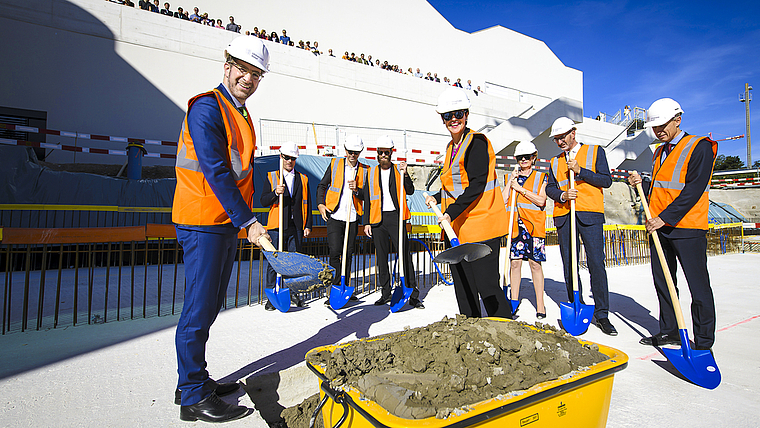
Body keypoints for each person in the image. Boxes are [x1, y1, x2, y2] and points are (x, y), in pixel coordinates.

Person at [171, 36, 272, 423]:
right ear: (226, 66)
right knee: (198, 308)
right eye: (243, 70)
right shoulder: (207, 108)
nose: (248, 78)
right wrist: (248, 221)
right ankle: (193, 398)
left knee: (210, 305)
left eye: (256, 74)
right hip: (202, 221)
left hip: (221, 222)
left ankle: (192, 380)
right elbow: (215, 169)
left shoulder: (239, 113)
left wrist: (241, 219)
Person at [627, 98, 718, 350]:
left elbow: (693, 190)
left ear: (678, 120)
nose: (658, 131)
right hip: (659, 228)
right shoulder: (659, 152)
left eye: (662, 126)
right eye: (654, 127)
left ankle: (703, 341)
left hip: (687, 228)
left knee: (698, 286)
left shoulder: (699, 147)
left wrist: (664, 218)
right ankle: (670, 331)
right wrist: (640, 184)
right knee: (664, 282)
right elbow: (659, 189)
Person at [424, 88, 513, 319]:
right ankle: (470, 329)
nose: (454, 119)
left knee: (487, 287)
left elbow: (476, 184)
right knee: (464, 288)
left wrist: (450, 212)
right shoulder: (451, 147)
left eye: (458, 113)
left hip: (481, 226)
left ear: (466, 114)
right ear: (442, 119)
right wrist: (437, 195)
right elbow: (455, 184)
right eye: (448, 115)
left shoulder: (477, 143)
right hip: (458, 229)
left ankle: (503, 328)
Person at [546, 117, 617, 336]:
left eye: (562, 137)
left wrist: (580, 170)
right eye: (556, 139)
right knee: (570, 264)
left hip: (590, 215)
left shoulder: (596, 152)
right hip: (565, 216)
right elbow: (550, 188)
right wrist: (563, 195)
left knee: (596, 263)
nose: (560, 142)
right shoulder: (554, 162)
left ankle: (602, 314)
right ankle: (575, 302)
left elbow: (606, 180)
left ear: (573, 133)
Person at [362, 136, 424, 309]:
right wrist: (366, 222)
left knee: (404, 255)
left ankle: (413, 294)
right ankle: (385, 292)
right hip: (377, 220)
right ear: (377, 153)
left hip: (396, 218)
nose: (383, 155)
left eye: (386, 152)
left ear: (391, 153)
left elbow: (410, 191)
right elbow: (367, 198)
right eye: (380, 152)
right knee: (381, 257)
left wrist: (406, 173)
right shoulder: (371, 172)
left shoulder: (399, 171)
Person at [260, 141, 313, 310]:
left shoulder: (303, 179)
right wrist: (276, 192)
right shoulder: (272, 176)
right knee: (274, 262)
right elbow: (263, 200)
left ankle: (293, 294)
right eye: (286, 157)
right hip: (276, 227)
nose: (289, 161)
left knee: (294, 263)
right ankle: (271, 296)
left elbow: (308, 204)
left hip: (296, 226)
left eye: (292, 158)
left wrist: (307, 225)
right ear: (281, 156)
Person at [317, 135, 368, 305]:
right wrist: (321, 205)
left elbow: (367, 196)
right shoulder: (335, 164)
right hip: (335, 215)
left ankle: (345, 286)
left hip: (352, 217)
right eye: (350, 152)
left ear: (360, 152)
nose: (352, 155)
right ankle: (334, 288)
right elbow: (322, 186)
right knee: (334, 252)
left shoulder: (364, 170)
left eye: (356, 152)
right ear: (345, 151)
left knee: (348, 253)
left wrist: (357, 190)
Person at [502, 141, 547, 319]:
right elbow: (504, 200)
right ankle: (513, 302)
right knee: (515, 263)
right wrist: (511, 182)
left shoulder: (541, 177)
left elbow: (541, 201)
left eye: (526, 157)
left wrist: (520, 190)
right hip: (515, 226)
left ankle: (541, 306)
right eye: (520, 157)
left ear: (533, 157)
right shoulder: (510, 178)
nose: (523, 160)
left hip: (533, 226)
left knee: (535, 264)